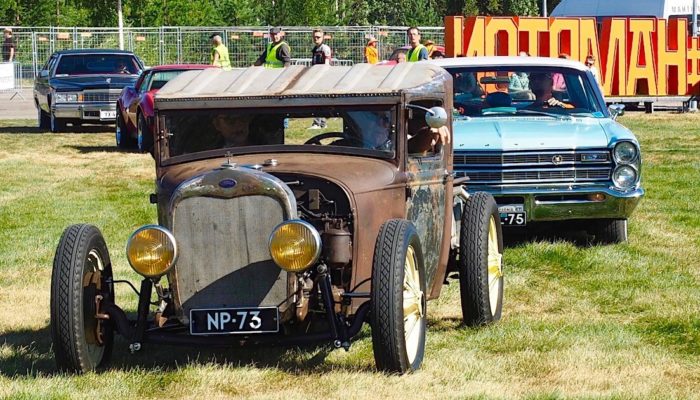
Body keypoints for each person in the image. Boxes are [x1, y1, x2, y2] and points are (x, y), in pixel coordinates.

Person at [309, 29, 332, 129]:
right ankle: (322, 123)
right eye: (314, 37)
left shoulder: (324, 48)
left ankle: (317, 122)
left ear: (322, 38)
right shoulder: (315, 49)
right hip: (315, 77)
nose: (316, 39)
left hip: (322, 78)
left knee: (318, 100)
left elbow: (327, 64)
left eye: (318, 37)